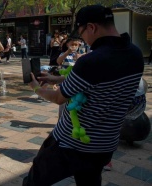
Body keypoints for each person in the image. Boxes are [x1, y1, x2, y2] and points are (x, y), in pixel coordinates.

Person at [23, 5, 144, 186]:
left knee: (34, 181)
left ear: (91, 27)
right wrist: (55, 77)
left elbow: (58, 98)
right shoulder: (136, 54)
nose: (83, 39)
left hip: (70, 144)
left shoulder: (91, 61)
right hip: (105, 145)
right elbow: (99, 83)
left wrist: (35, 87)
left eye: (81, 33)